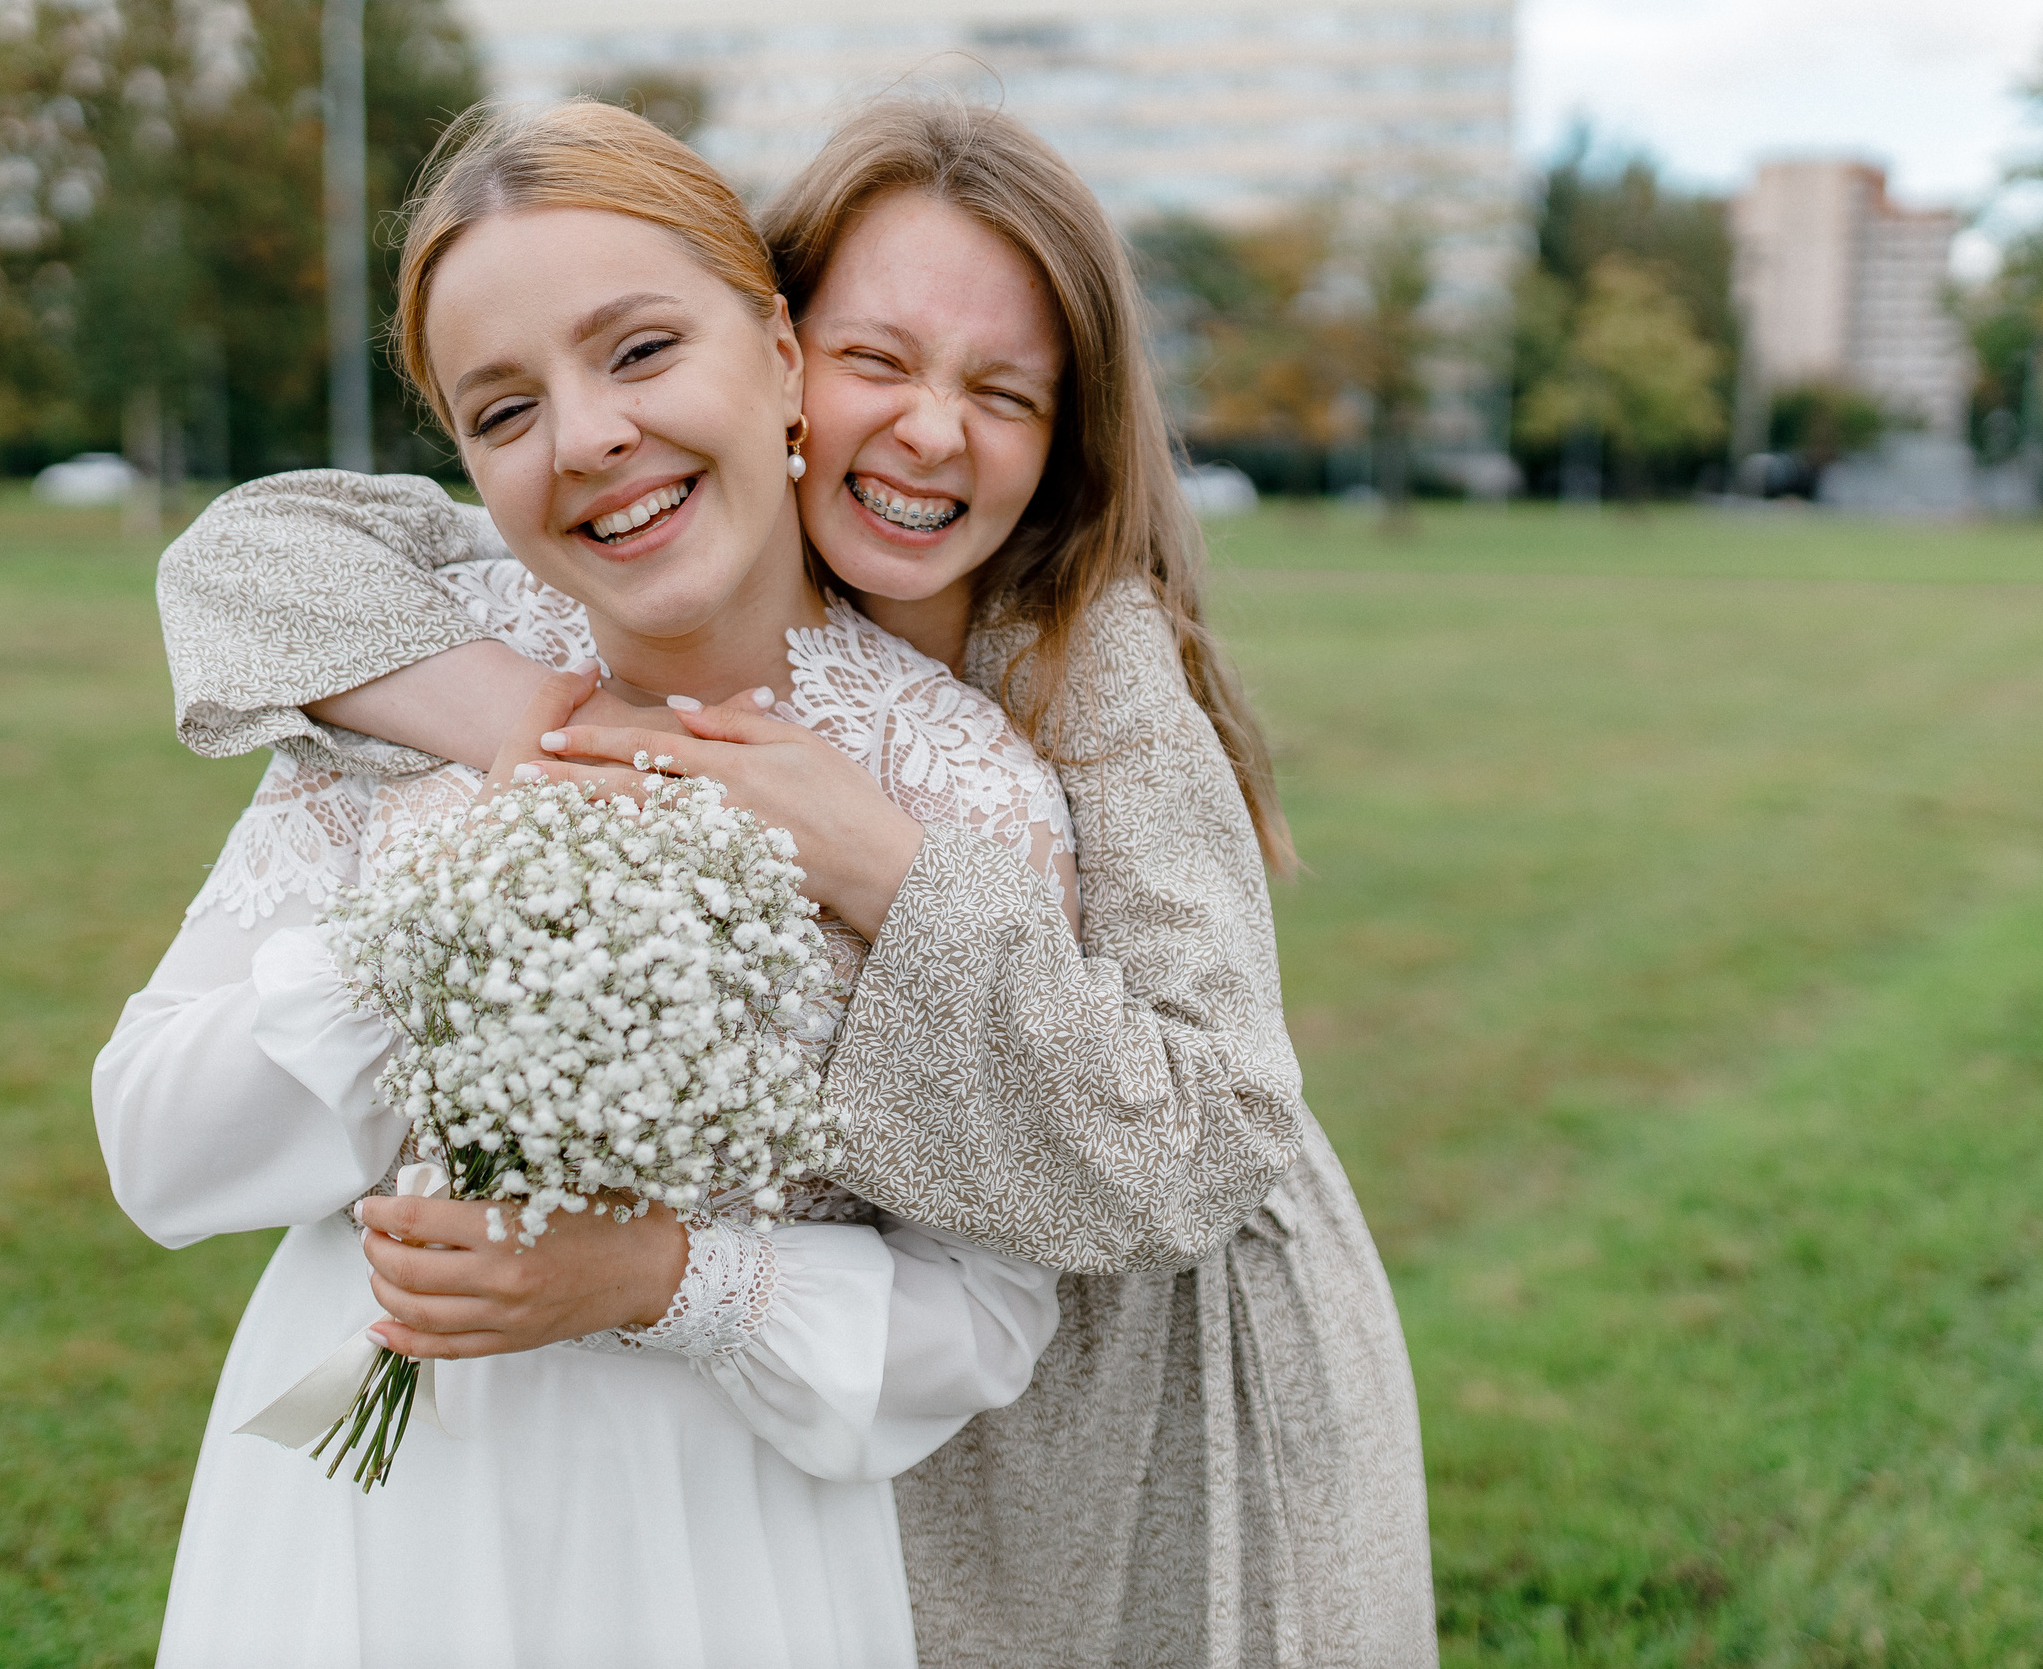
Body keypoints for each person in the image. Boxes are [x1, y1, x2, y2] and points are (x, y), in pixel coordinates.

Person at [159, 96, 1436, 1666]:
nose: (926, 433)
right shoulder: (618, 534)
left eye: (1005, 392)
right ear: (786, 348)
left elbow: (1202, 1147)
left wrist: (887, 865)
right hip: (791, 1343)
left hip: (1132, 1320)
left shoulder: (1076, 658)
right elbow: (241, 565)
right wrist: (507, 716)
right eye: (880, 360)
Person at [94, 100, 1087, 1669]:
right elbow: (156, 1151)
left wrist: (653, 1274)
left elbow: (986, 1309)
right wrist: (448, 921)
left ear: (779, 359)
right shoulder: (409, 697)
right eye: (504, 414)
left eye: (638, 352)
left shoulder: (956, 799)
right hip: (357, 1524)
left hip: (712, 1552)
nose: (587, 438)